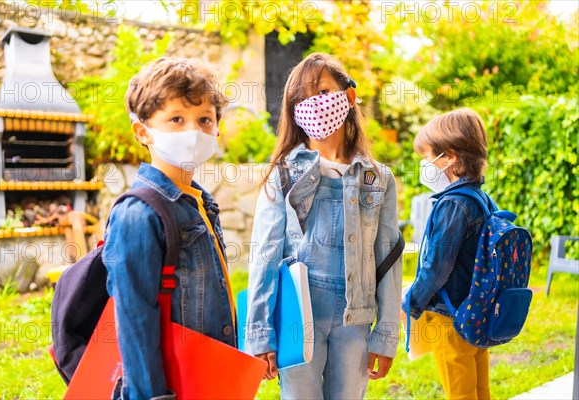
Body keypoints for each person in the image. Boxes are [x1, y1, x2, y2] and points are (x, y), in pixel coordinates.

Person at [245, 52, 402, 399]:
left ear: (347, 97)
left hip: (355, 318)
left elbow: (389, 259)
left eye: (322, 91)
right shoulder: (284, 175)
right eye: (302, 97)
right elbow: (264, 256)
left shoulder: (379, 179)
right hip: (297, 317)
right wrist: (260, 332)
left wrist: (386, 334)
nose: (312, 104)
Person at [102, 57, 235, 400]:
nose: (193, 131)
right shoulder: (139, 213)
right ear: (143, 131)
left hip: (208, 376)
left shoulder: (199, 201)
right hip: (170, 388)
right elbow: (134, 321)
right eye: (176, 119)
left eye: (204, 119)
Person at [404, 108, 491, 400]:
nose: (424, 164)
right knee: (479, 387)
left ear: (450, 156)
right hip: (476, 311)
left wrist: (411, 302)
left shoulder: (453, 204)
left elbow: (436, 267)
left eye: (428, 156)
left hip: (449, 317)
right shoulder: (482, 198)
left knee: (458, 391)